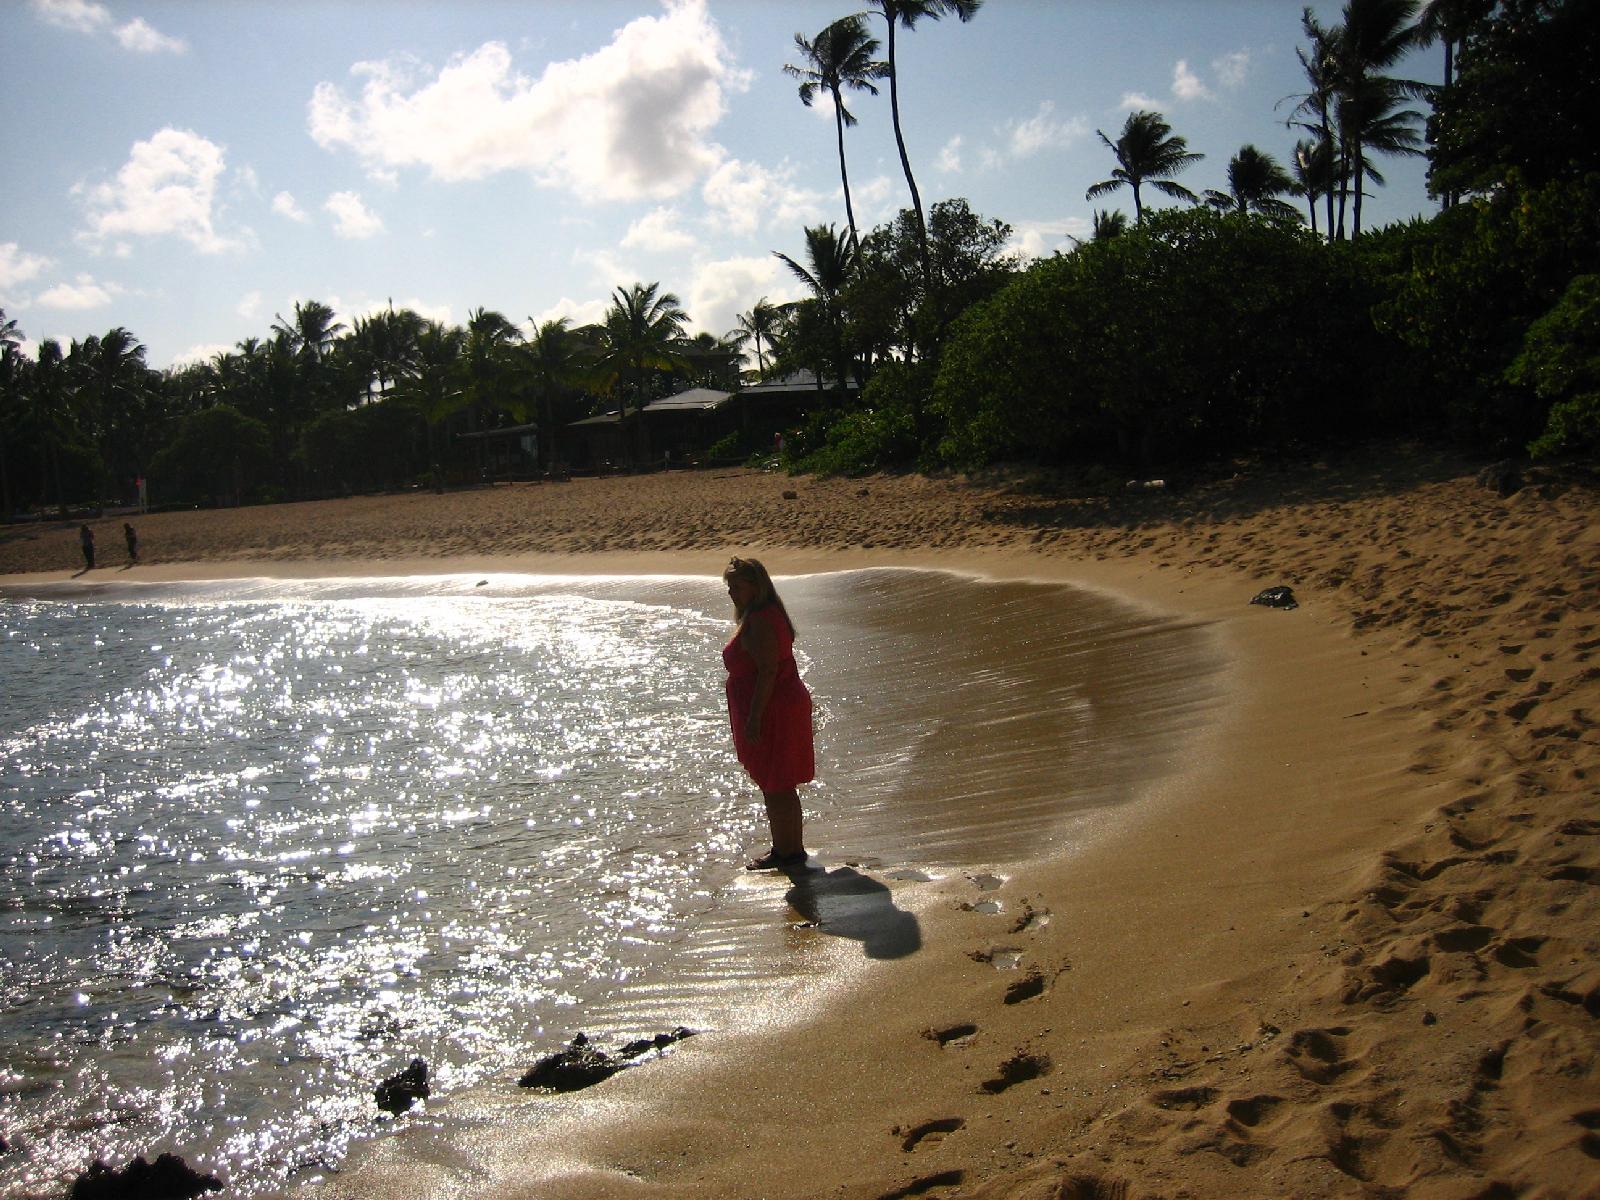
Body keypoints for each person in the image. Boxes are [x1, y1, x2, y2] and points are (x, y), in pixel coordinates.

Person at [722, 556, 815, 870]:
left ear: (755, 587)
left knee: (776, 784)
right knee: (780, 783)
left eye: (737, 586)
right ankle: (790, 850)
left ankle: (786, 853)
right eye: (729, 587)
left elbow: (768, 671)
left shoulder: (762, 619)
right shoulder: (765, 613)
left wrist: (754, 718)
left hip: (774, 709)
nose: (731, 593)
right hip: (779, 705)